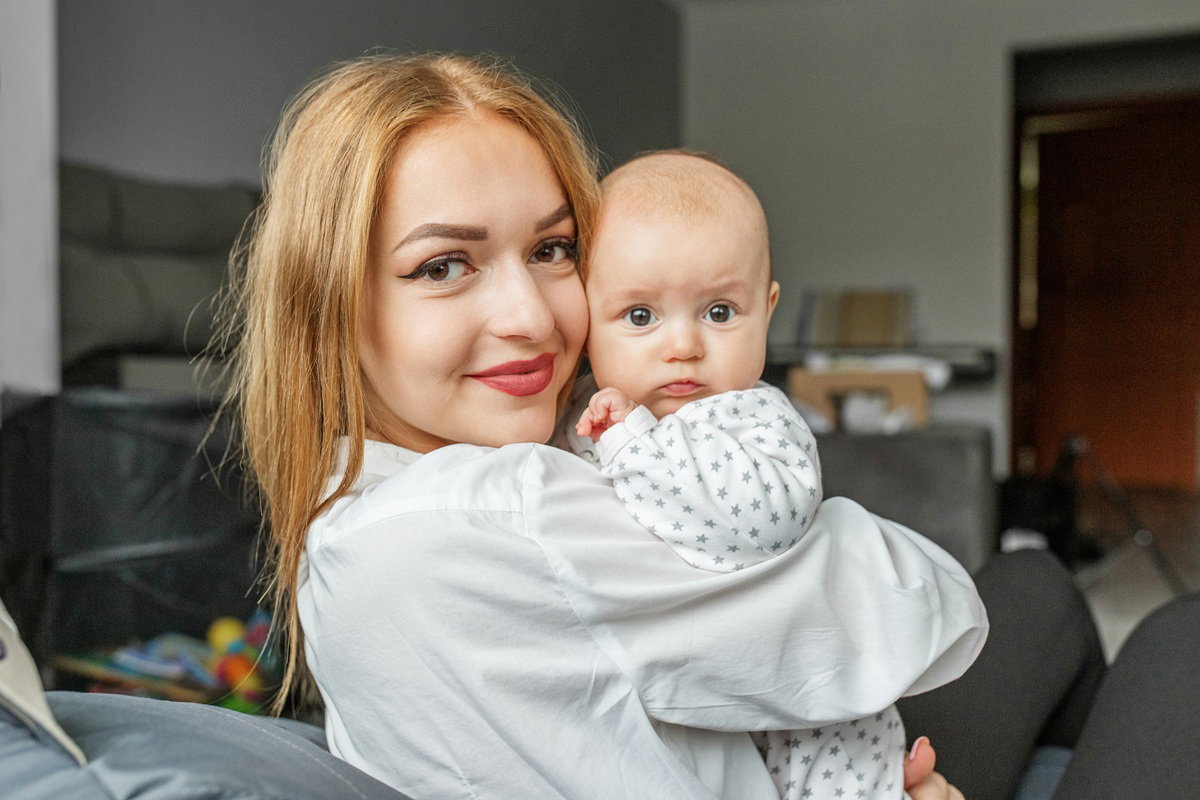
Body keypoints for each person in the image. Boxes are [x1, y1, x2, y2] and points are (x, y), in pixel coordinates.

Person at [223, 52, 985, 800]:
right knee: (1032, 598)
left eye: (553, 250)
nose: (530, 318)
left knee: (1039, 599)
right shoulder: (495, 506)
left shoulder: (344, 513)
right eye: (444, 266)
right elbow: (920, 603)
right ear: (328, 308)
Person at [557, 150, 921, 799]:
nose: (683, 346)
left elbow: (757, 524)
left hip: (811, 725)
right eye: (640, 316)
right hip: (696, 719)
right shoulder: (585, 411)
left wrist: (632, 444)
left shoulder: (752, 416)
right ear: (587, 316)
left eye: (719, 312)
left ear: (767, 308)